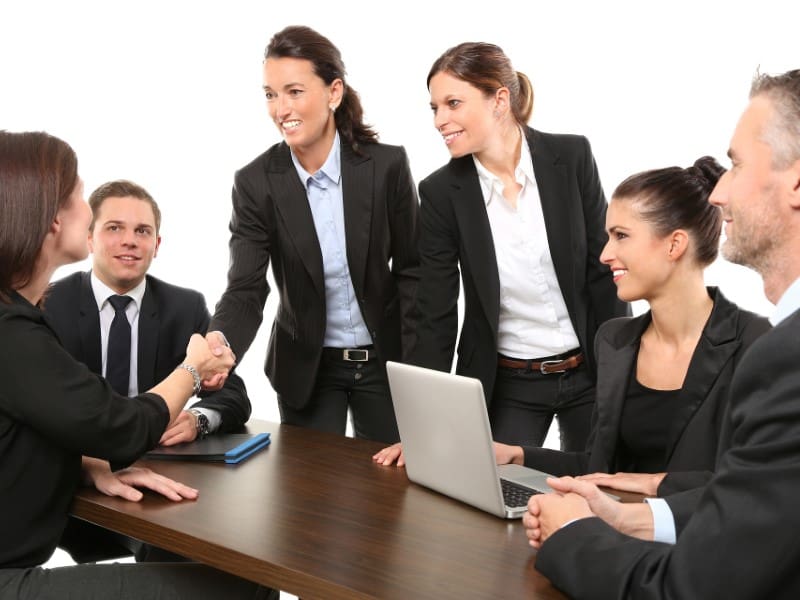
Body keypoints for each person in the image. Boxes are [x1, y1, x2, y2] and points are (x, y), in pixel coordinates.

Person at [524, 69, 800, 599]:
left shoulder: (773, 353)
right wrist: (632, 518)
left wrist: (575, 532)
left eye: (738, 164)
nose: (719, 190)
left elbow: (693, 584)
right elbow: (760, 498)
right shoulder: (615, 341)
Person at [0, 131, 271, 598]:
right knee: (246, 589)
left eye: (142, 231)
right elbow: (117, 425)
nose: (128, 241)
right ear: (52, 220)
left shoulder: (15, 318)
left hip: (69, 509)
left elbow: (34, 424)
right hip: (15, 568)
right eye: (80, 197)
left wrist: (87, 464)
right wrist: (191, 369)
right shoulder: (18, 329)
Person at [372, 41, 628, 467]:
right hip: (509, 382)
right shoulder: (440, 193)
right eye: (434, 107)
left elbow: (604, 273)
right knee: (490, 499)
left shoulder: (571, 157)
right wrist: (420, 425)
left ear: (499, 100)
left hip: (589, 370)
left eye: (453, 103)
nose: (440, 120)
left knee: (601, 490)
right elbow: (432, 311)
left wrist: (623, 371)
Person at [492, 158, 770, 503]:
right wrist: (517, 455)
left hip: (702, 545)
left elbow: (760, 483)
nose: (606, 254)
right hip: (618, 536)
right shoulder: (615, 341)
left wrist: (656, 484)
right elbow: (601, 469)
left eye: (621, 236)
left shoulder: (756, 344)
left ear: (675, 244)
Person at [207, 25, 418, 443]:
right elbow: (246, 288)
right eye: (270, 94)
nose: (280, 108)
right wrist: (219, 342)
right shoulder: (256, 183)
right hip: (306, 366)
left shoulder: (386, 167)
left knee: (394, 493)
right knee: (311, 496)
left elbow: (415, 271)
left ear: (334, 93)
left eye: (294, 91)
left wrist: (417, 364)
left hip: (386, 363)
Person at [45, 179, 252, 563]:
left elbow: (234, 393)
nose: (130, 241)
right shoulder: (49, 304)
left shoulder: (183, 306)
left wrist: (197, 419)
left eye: (142, 231)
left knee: (230, 556)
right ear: (89, 239)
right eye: (114, 228)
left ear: (157, 245)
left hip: (159, 477)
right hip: (78, 482)